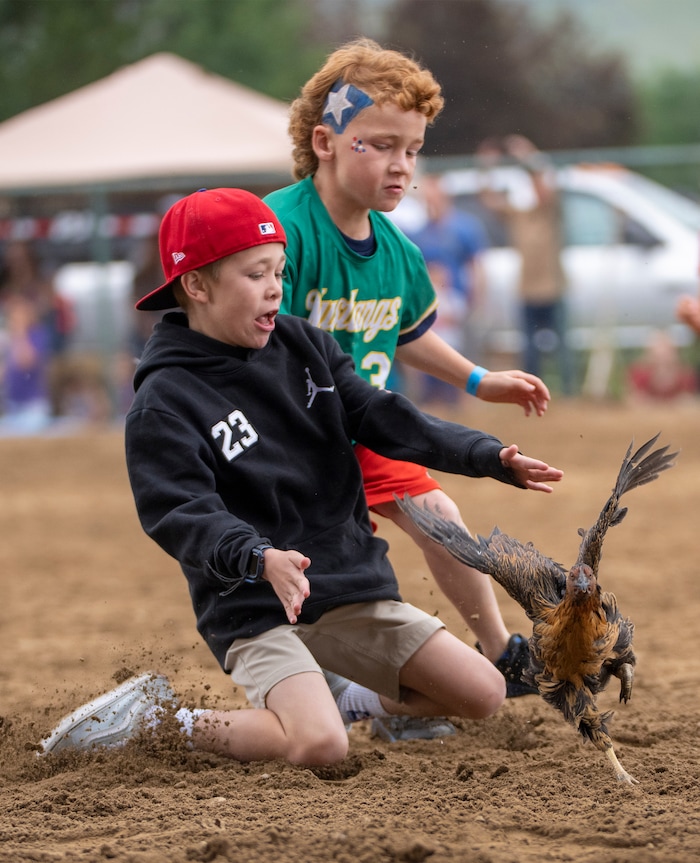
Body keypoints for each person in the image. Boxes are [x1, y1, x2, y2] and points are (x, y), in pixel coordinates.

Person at [39, 188, 563, 765]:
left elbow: (384, 415)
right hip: (255, 601)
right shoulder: (166, 399)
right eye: (255, 273)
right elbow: (178, 510)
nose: (274, 288)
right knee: (318, 745)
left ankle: (344, 698)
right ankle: (154, 723)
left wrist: (486, 455)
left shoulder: (305, 343)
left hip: (345, 584)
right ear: (196, 286)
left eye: (279, 272)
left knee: (482, 692)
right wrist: (259, 557)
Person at [262, 39, 552, 738]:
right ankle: (356, 691)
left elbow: (406, 331)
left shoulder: (397, 249)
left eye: (413, 149)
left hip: (364, 428)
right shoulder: (282, 229)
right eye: (380, 144)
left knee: (440, 517)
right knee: (339, 575)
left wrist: (479, 379)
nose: (401, 165)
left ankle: (499, 653)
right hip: (289, 439)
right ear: (325, 142)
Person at [477, 135, 574, 396]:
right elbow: (490, 200)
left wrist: (530, 156)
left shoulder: (550, 213)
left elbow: (548, 184)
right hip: (528, 290)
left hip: (553, 287)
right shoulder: (519, 216)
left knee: (563, 348)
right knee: (530, 350)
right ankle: (533, 391)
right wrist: (488, 167)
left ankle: (569, 393)